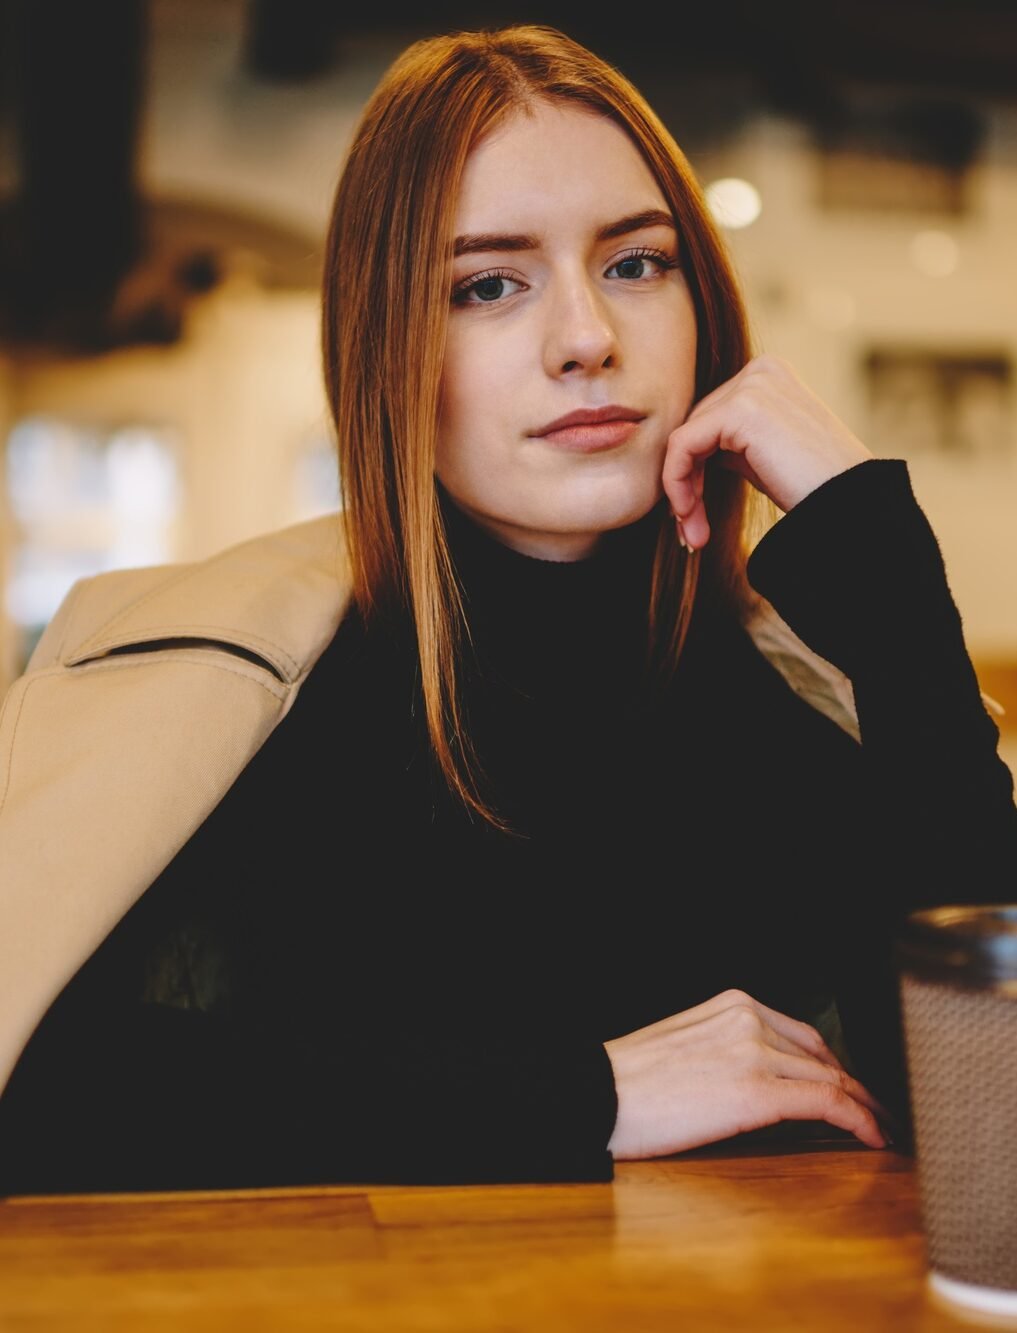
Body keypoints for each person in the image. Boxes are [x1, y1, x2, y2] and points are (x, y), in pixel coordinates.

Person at [1, 24, 1015, 1194]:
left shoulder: (798, 705)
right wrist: (590, 1093)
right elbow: (45, 1087)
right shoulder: (251, 696)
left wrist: (885, 578)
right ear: (387, 346)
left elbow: (993, 1110)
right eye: (488, 285)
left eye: (637, 264)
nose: (588, 339)